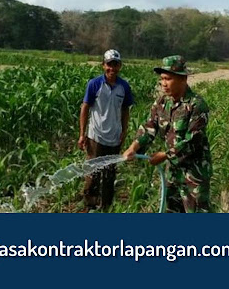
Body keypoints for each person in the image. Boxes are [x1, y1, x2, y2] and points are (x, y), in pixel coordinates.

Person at [123, 55, 213, 213]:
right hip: (173, 172)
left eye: (168, 79)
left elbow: (192, 141)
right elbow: (149, 126)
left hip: (194, 174)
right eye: (162, 79)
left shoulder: (196, 106)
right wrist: (134, 146)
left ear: (183, 79)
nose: (163, 84)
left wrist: (164, 155)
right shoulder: (162, 102)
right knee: (171, 211)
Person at [78, 49, 134, 210]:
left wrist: (124, 131)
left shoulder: (124, 87)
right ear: (103, 65)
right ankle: (89, 205)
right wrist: (82, 134)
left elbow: (125, 110)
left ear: (120, 66)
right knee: (93, 173)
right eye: (109, 65)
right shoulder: (94, 84)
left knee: (110, 174)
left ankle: (106, 207)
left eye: (115, 65)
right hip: (95, 136)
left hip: (114, 137)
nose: (112, 68)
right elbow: (85, 107)